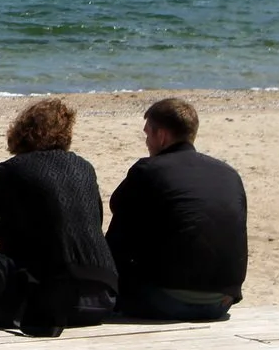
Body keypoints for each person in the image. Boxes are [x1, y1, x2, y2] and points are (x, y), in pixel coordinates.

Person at [0, 98, 118, 336]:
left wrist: (0, 230)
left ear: (21, 133)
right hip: (102, 300)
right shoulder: (84, 168)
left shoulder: (13, 170)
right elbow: (93, 221)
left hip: (44, 304)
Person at [105, 97, 248, 321]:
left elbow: (118, 220)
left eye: (148, 134)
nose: (147, 142)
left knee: (125, 227)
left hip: (166, 301)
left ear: (162, 135)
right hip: (222, 301)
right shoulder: (229, 174)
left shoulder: (148, 170)